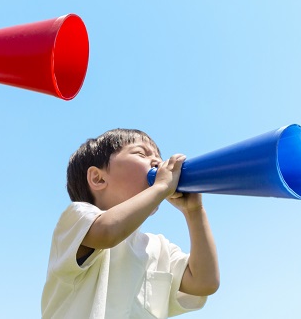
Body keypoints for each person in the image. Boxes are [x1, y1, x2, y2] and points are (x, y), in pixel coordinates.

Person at [41, 128, 219, 319]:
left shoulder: (158, 247)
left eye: (159, 157)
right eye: (141, 153)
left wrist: (194, 212)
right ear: (98, 178)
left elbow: (205, 282)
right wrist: (160, 187)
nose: (158, 162)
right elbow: (108, 232)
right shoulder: (77, 218)